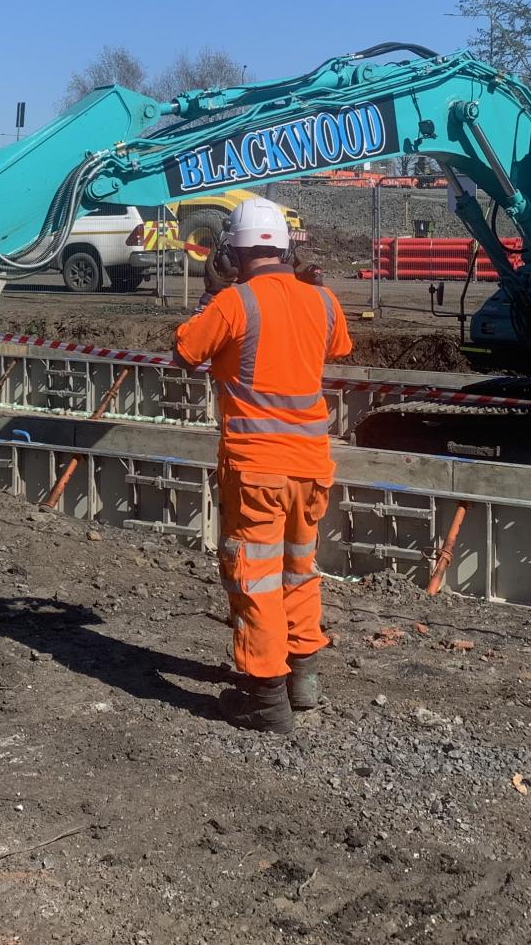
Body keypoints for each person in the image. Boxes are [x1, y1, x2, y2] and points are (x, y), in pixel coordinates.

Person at [173, 196, 350, 733]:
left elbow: (185, 350)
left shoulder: (234, 304)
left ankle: (264, 697)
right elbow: (337, 347)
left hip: (257, 470)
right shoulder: (323, 301)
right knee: (299, 569)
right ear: (285, 248)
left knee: (256, 577)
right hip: (312, 466)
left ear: (235, 252)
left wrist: (211, 294)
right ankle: (304, 682)